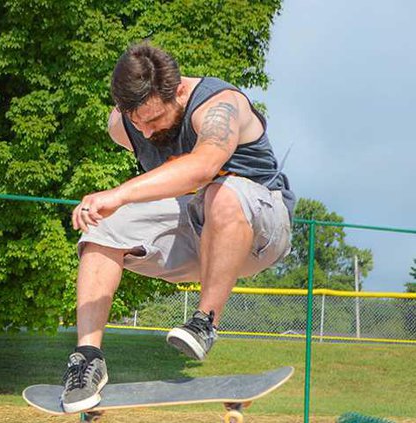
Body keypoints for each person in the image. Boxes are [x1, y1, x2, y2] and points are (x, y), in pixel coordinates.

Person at [60, 43, 295, 413]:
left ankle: (205, 322)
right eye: (138, 122)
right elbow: (171, 181)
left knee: (223, 191)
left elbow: (202, 167)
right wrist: (112, 206)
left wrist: (120, 193)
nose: (147, 131)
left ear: (179, 91)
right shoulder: (122, 126)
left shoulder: (218, 104)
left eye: (155, 120)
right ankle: (87, 359)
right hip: (201, 233)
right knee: (104, 227)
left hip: (263, 227)